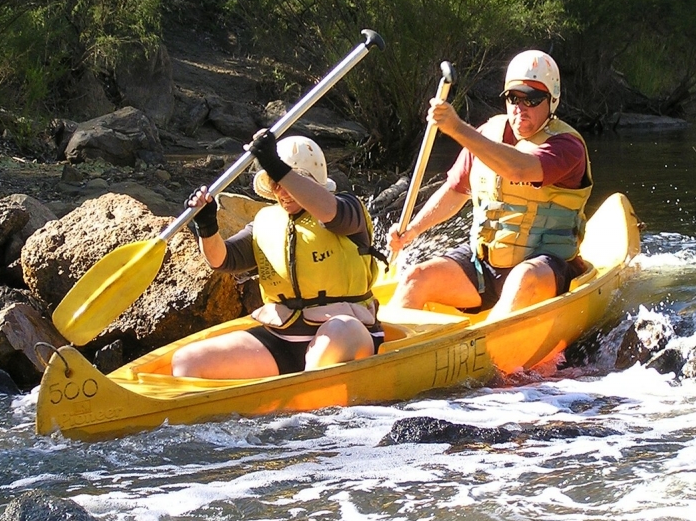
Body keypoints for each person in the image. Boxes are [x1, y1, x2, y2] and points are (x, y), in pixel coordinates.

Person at [387, 49, 593, 316]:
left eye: (532, 100)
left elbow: (519, 169)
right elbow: (455, 190)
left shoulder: (567, 146)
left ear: (552, 101)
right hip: (484, 266)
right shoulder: (487, 135)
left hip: (545, 268)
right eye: (513, 98)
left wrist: (457, 128)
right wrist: (411, 232)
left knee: (522, 279)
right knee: (416, 278)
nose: (520, 108)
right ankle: (386, 349)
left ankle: (492, 349)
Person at [171, 130, 384, 379]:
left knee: (331, 340)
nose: (282, 191)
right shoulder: (265, 222)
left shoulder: (348, 210)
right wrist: (207, 227)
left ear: (314, 182)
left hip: (347, 331)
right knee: (188, 362)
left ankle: (309, 409)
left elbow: (329, 211)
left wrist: (274, 165)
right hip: (284, 337)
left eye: (288, 182)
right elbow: (221, 260)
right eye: (275, 184)